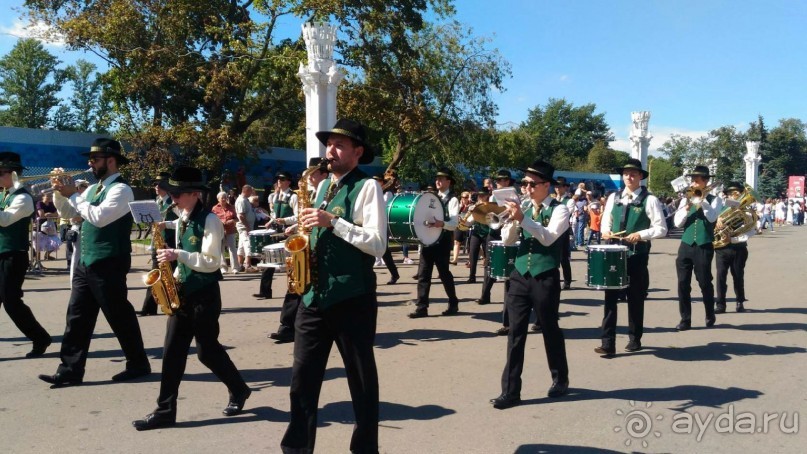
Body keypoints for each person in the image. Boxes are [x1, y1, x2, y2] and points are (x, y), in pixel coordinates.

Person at [280, 119, 386, 453]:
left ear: (358, 152)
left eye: (340, 145)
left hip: (352, 297)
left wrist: (333, 222)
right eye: (329, 144)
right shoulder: (324, 186)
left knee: (361, 381)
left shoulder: (368, 187)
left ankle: (364, 448)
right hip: (313, 297)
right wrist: (302, 233)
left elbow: (378, 244)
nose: (331, 150)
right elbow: (318, 228)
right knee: (301, 382)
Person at [132, 166, 251, 431]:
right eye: (172, 193)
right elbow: (180, 228)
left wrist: (178, 255)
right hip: (183, 292)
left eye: (178, 193)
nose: (173, 197)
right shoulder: (183, 216)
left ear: (195, 194)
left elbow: (211, 262)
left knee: (207, 352)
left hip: (204, 295)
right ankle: (165, 411)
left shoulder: (210, 221)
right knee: (172, 352)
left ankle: (239, 389)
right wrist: (172, 272)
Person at [39, 138, 150, 387]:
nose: (90, 163)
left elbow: (99, 218)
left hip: (109, 260)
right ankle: (69, 370)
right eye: (90, 159)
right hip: (86, 259)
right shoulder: (92, 190)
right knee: (77, 316)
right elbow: (70, 213)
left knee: (118, 315)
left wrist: (73, 195)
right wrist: (59, 191)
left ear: (111, 161)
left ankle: (138, 363)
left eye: (94, 159)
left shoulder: (121, 190)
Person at [491, 160, 570, 409]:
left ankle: (560, 378)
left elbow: (548, 238)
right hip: (519, 275)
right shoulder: (523, 206)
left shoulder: (560, 209)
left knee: (550, 329)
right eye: (524, 183)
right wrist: (512, 222)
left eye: (531, 184)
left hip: (545, 276)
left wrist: (523, 219)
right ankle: (510, 391)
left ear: (546, 185)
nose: (526, 188)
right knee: (515, 333)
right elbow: (507, 241)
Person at [595, 159, 667, 356]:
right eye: (626, 173)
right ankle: (607, 342)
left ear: (640, 176)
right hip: (613, 253)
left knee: (635, 298)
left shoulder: (650, 199)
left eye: (633, 173)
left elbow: (661, 228)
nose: (629, 177)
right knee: (610, 298)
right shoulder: (614, 196)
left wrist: (641, 235)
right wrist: (606, 231)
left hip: (637, 254)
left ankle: (635, 338)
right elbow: (607, 219)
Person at [267, 157, 328, 342]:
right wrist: (293, 225)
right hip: (305, 243)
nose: (309, 177)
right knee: (295, 284)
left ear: (324, 174)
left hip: (320, 246)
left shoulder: (329, 194)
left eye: (313, 173)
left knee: (313, 289)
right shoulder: (309, 194)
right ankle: (287, 327)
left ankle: (315, 327)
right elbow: (303, 217)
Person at [0, 151, 52, 358]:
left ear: (13, 174)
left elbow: (5, 219)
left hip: (13, 255)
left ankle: (40, 337)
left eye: (0, 172)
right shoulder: (4, 194)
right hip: (1, 253)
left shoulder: (23, 198)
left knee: (11, 302)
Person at [673, 165, 723, 331]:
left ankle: (710, 313)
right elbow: (677, 223)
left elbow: (712, 218)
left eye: (696, 181)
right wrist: (686, 208)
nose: (693, 183)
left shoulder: (715, 200)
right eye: (692, 180)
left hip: (703, 245)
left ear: (705, 182)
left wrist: (702, 201)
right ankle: (685, 319)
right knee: (682, 283)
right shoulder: (685, 200)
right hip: (686, 245)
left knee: (704, 282)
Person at [408, 167, 461, 318]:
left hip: (442, 241)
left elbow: (454, 223)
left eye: (441, 179)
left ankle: (453, 302)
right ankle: (422, 307)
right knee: (423, 275)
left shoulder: (453, 199)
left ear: (449, 182)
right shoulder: (431, 198)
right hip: (427, 240)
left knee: (444, 274)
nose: (438, 181)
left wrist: (441, 224)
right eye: (437, 178)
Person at [140, 172, 177, 316]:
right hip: (158, 242)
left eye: (159, 185)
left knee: (171, 276)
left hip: (170, 243)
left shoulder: (173, 202)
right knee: (155, 274)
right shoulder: (157, 201)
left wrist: (166, 224)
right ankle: (149, 307)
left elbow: (182, 220)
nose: (156, 187)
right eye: (155, 185)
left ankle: (174, 303)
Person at [714, 182, 755, 314]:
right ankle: (720, 304)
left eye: (736, 194)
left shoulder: (747, 212)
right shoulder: (720, 209)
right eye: (730, 194)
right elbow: (710, 222)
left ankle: (740, 302)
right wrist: (716, 220)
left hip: (739, 248)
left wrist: (732, 239)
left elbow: (750, 231)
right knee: (720, 276)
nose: (733, 196)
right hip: (722, 249)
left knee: (738, 276)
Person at [466, 189, 491, 284]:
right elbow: (469, 222)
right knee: (472, 253)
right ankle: (472, 276)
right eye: (479, 196)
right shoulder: (474, 206)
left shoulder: (491, 206)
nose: (480, 198)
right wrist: (470, 214)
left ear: (487, 196)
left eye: (482, 195)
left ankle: (487, 278)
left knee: (487, 255)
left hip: (487, 232)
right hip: (476, 232)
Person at [553, 177, 573, 289]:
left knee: (563, 257)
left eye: (559, 186)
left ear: (565, 187)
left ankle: (567, 280)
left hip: (563, 231)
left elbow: (567, 213)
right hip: (551, 229)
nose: (557, 188)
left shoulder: (569, 201)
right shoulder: (552, 199)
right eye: (556, 186)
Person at [212, 191, 238, 274]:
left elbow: (236, 218)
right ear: (218, 199)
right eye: (222, 198)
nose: (224, 199)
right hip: (219, 231)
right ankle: (223, 268)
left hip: (230, 230)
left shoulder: (231, 207)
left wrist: (232, 221)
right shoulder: (214, 208)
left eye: (225, 197)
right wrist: (220, 222)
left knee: (232, 249)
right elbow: (212, 219)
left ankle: (235, 268)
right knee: (221, 249)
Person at [234, 184, 256, 273]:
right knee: (248, 244)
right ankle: (248, 265)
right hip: (244, 227)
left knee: (241, 246)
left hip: (245, 227)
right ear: (246, 191)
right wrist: (247, 227)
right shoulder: (241, 201)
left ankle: (239, 265)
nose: (251, 193)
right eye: (250, 191)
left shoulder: (245, 200)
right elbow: (241, 216)